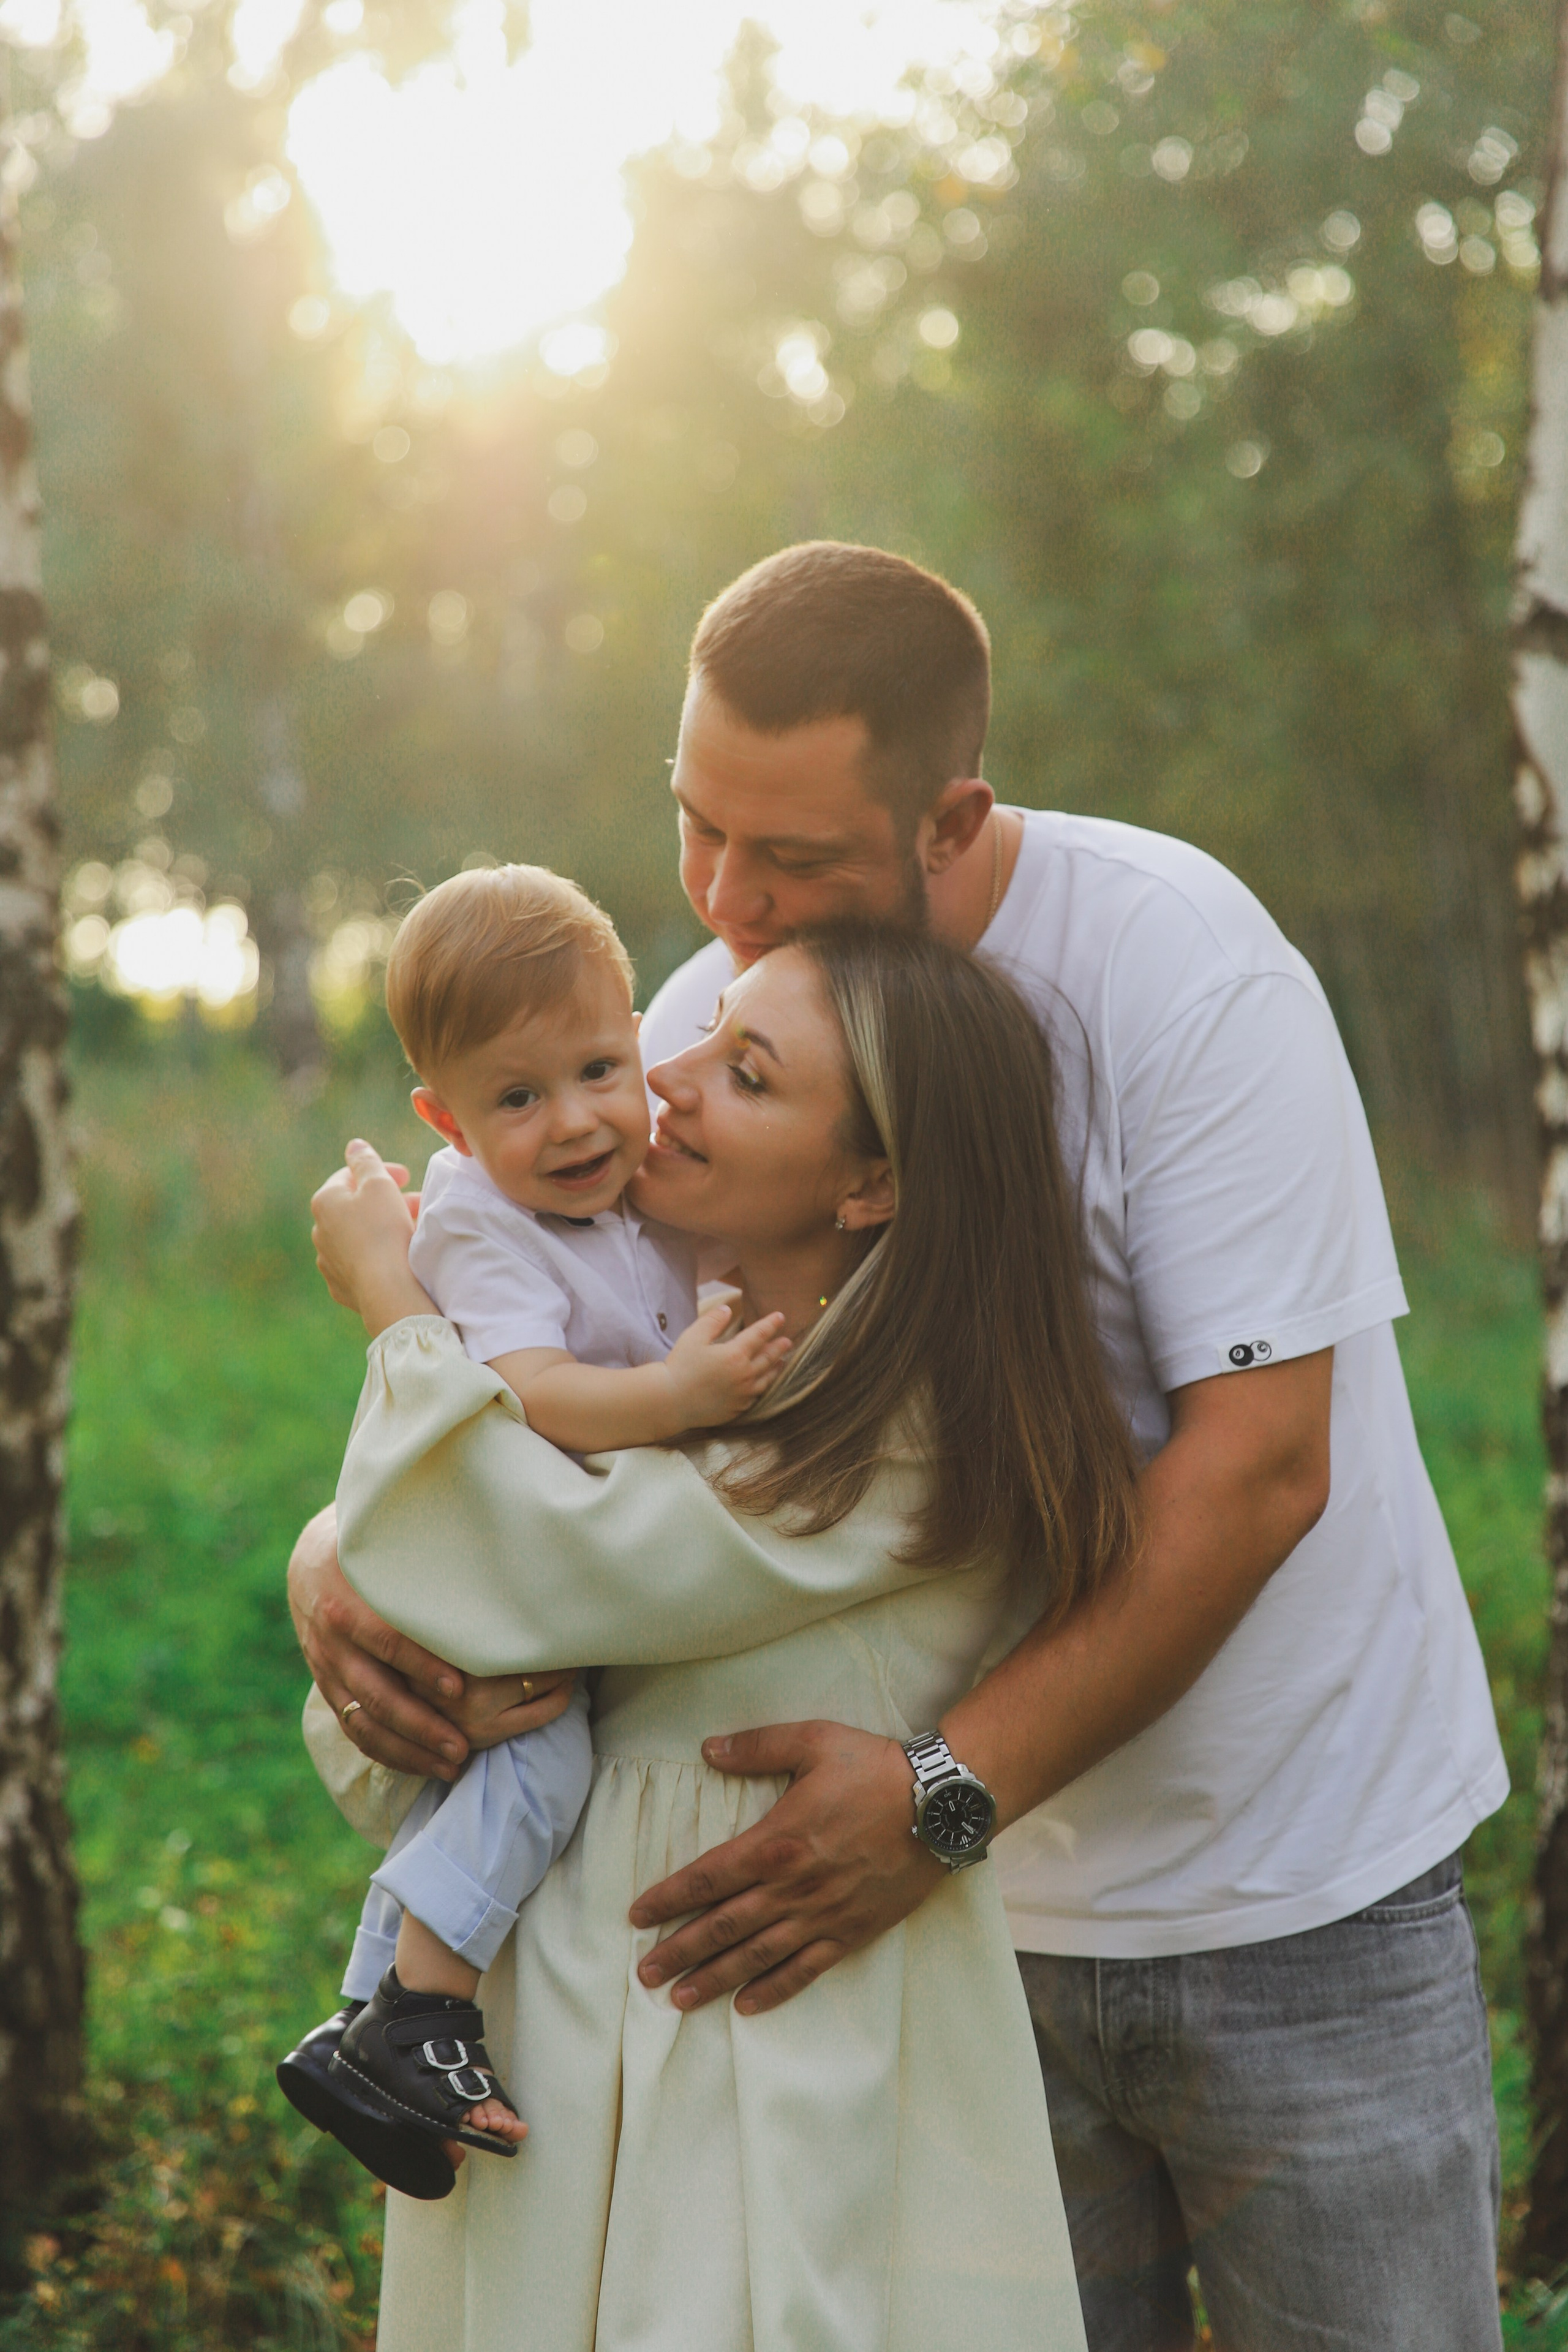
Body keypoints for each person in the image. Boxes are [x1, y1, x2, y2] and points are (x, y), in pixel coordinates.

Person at [290, 542, 1510, 2350]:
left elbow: (1260, 1468)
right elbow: (563, 1381)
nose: (726, 904)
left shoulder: (1182, 976)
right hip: (931, 1939)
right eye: (699, 829)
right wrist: (337, 1561)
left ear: (950, 819)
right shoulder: (710, 1027)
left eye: (791, 859)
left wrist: (945, 1794)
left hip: (1277, 1877)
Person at [301, 923, 1139, 2351]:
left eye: (742, 1071)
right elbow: (459, 1581)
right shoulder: (666, 1332)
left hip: (764, 2015)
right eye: (689, 1037)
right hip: (575, 2013)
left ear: (871, 1180)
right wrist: (336, 1561)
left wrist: (394, 1313)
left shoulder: (903, 1433)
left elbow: (529, 1561)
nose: (667, 1083)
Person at [277, 864, 790, 2196]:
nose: (575, 1122)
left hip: (522, 1550)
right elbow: (541, 1397)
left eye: (598, 1071)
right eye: (517, 1098)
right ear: (446, 1118)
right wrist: (678, 1396)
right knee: (535, 1753)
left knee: (489, 1774)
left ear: (640, 1048)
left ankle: (355, 2026)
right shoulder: (479, 1217)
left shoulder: (618, 1196)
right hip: (491, 1554)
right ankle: (428, 2014)